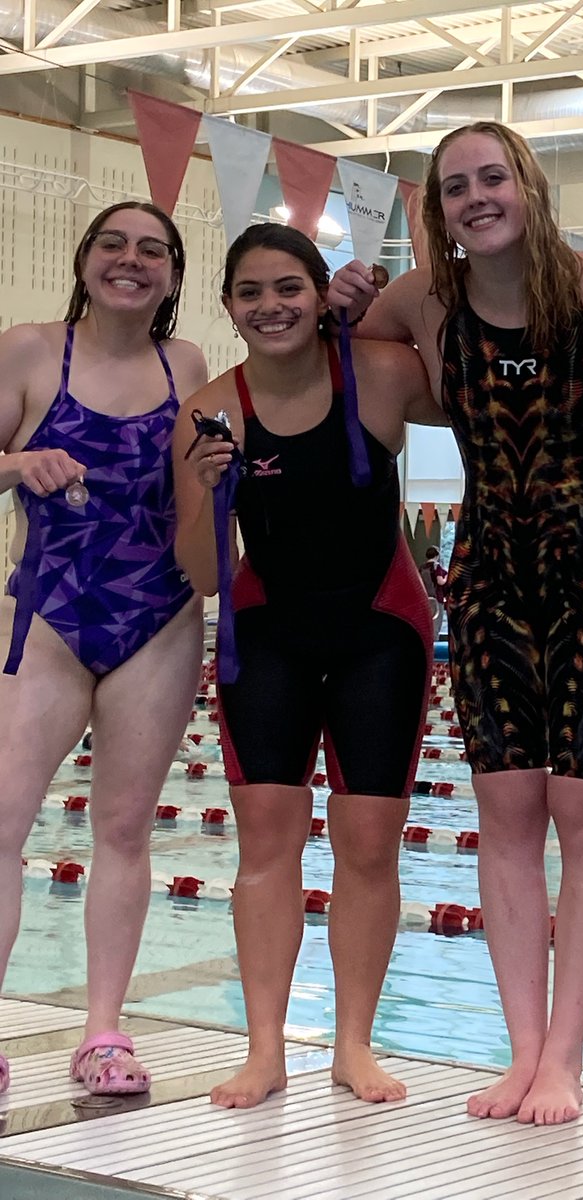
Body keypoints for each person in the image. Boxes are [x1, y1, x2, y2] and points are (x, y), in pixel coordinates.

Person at [329, 121, 583, 1125]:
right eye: (456, 185)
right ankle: (522, 1050)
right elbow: (360, 352)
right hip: (483, 582)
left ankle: (567, 1056)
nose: (477, 196)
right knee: (505, 816)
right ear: (438, 207)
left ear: (528, 181)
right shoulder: (424, 298)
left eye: (492, 175)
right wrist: (342, 302)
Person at [174, 222, 444, 1110]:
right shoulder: (212, 408)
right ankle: (264, 1050)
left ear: (320, 292)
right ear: (229, 308)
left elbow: (466, 368)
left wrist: (385, 311)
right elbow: (206, 573)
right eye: (250, 293)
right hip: (269, 633)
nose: (270, 306)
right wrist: (208, 490)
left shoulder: (379, 373)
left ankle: (354, 1044)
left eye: (288, 287)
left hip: (381, 630)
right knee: (266, 847)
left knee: (369, 845)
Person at [0, 201, 207, 1096]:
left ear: (171, 275)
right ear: (86, 260)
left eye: (152, 250)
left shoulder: (186, 364)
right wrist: (18, 463)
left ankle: (105, 1035)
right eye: (114, 245)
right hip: (50, 614)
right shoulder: (32, 349)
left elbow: (192, 496)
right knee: (3, 824)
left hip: (157, 618)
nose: (132, 260)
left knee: (124, 829)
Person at [418, 545, 447, 639]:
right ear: (437, 555)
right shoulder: (436, 566)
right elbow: (440, 581)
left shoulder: (422, 567)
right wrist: (447, 577)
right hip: (437, 598)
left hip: (425, 598)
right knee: (436, 623)